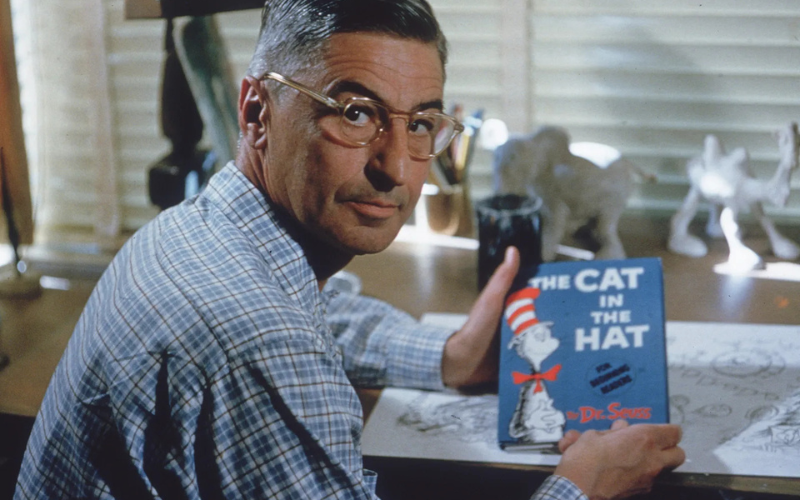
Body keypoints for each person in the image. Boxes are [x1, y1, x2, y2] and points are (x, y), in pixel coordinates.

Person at [15, 1, 684, 498]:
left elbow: (317, 310)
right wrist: (581, 486)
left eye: (421, 123)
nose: (396, 166)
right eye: (356, 113)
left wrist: (449, 357)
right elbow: (276, 338)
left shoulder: (207, 230)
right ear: (256, 113)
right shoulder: (256, 341)